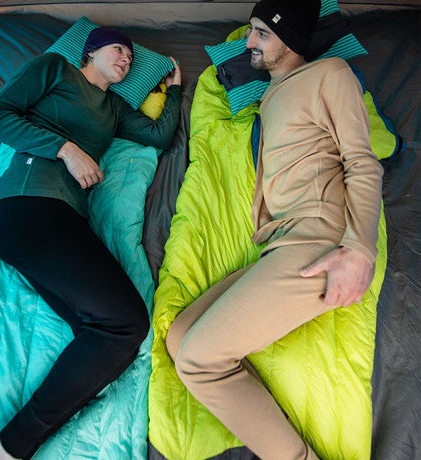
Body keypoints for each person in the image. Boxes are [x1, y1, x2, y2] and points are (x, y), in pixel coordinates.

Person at [165, 0, 383, 458]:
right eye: (251, 31)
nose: (249, 42)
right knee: (179, 338)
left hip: (318, 237)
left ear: (292, 39)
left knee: (198, 361)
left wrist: (360, 251)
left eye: (261, 33)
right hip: (279, 242)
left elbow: (362, 162)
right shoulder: (268, 95)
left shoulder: (330, 73)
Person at [0, 27, 181, 460]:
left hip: (59, 220)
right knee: (124, 325)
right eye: (118, 49)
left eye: (130, 57)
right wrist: (65, 148)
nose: (126, 60)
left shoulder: (114, 108)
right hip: (26, 207)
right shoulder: (55, 69)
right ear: (90, 51)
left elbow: (159, 136)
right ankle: (6, 448)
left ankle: (50, 415)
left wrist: (174, 91)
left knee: (105, 337)